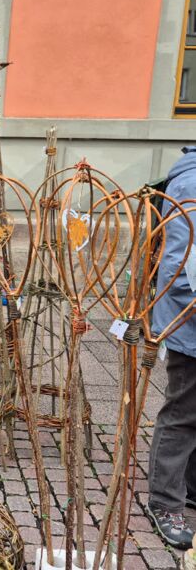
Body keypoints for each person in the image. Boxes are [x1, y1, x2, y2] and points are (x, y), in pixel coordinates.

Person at [147, 145, 196, 548]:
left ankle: (189, 485)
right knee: (183, 412)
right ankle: (165, 502)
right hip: (190, 324)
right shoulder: (191, 184)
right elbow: (181, 269)